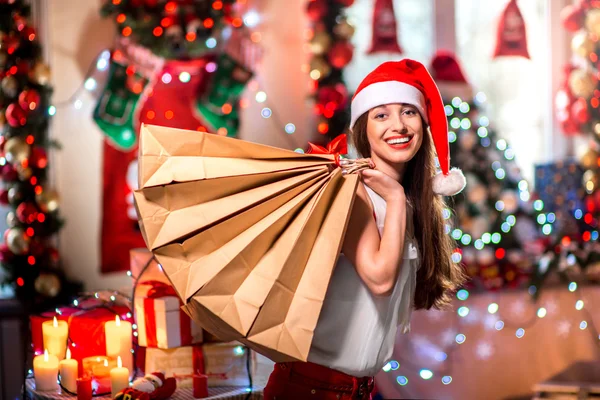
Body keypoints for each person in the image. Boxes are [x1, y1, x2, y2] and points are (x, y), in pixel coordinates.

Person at [263, 58, 467, 400]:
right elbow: (380, 279)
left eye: (409, 112)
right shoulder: (352, 191)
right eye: (381, 115)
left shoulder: (411, 203)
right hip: (309, 389)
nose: (398, 126)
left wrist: (399, 198)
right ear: (364, 128)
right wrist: (396, 197)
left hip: (358, 390)